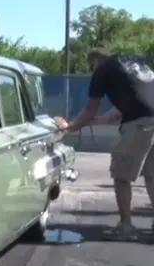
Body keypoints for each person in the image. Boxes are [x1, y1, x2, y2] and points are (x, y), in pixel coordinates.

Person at [55, 48, 154, 240]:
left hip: (138, 126)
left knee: (121, 175)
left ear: (95, 60)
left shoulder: (103, 70)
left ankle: (126, 227)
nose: (91, 71)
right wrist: (97, 120)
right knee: (151, 176)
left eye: (90, 67)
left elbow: (90, 109)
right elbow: (121, 109)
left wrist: (69, 127)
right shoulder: (131, 63)